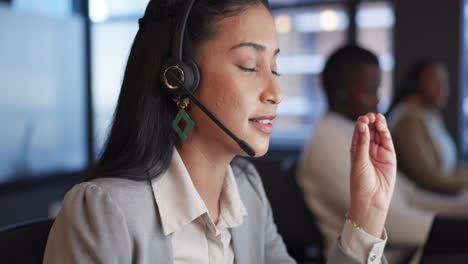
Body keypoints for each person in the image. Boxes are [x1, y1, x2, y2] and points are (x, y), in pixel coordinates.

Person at [43, 1, 397, 263]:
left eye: (275, 67)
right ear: (179, 78)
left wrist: (367, 213)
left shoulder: (246, 193)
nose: (275, 92)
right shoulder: (104, 211)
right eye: (248, 66)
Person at [296, 45, 468, 263]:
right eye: (370, 91)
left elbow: (410, 195)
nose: (378, 100)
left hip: (402, 251)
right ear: (340, 92)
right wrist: (457, 226)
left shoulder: (352, 131)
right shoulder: (327, 145)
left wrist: (463, 208)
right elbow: (386, 222)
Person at [388, 59, 468, 194]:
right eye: (435, 81)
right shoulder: (407, 121)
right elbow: (425, 177)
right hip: (424, 198)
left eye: (444, 81)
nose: (443, 88)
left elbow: (451, 166)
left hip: (445, 193)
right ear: (416, 83)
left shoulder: (431, 114)